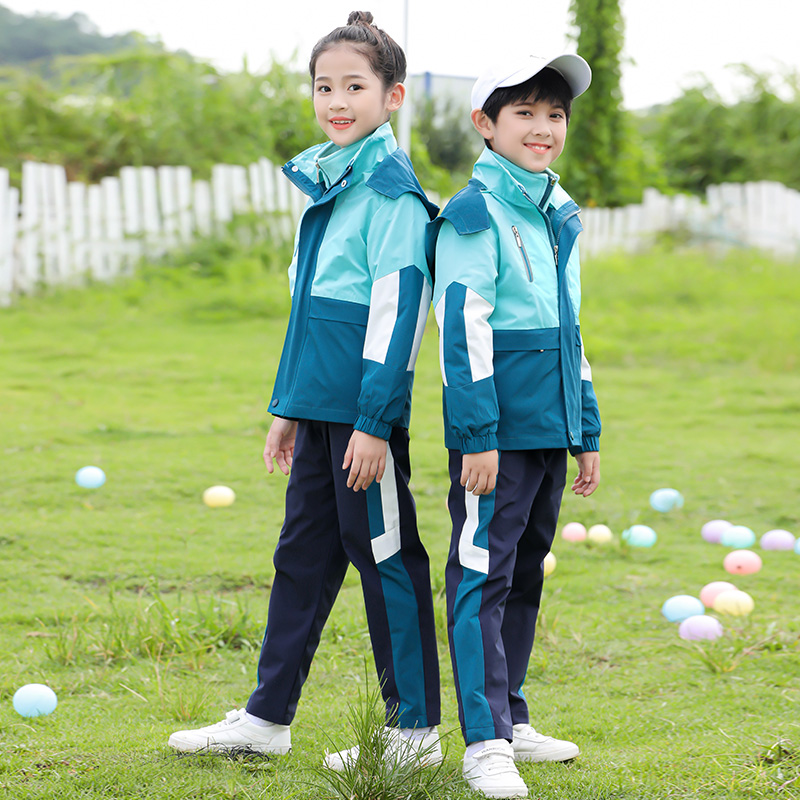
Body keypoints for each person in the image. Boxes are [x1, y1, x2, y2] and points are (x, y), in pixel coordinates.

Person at [168, 11, 441, 765]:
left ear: (394, 95)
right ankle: (266, 718)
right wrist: (287, 407)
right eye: (325, 86)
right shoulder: (329, 176)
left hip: (362, 417)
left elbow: (398, 313)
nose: (337, 100)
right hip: (319, 409)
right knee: (302, 558)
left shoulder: (389, 188)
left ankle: (412, 731)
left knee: (385, 553)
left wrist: (375, 422)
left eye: (355, 85)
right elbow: (309, 312)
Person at [427, 54, 601, 799]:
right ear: (485, 124)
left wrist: (584, 427)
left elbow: (570, 331)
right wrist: (477, 436)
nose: (543, 128)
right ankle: (483, 740)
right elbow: (461, 330)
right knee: (480, 578)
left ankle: (511, 714)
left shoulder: (557, 210)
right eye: (524, 112)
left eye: (555, 114)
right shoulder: (473, 213)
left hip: (546, 428)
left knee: (525, 574)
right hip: (493, 438)